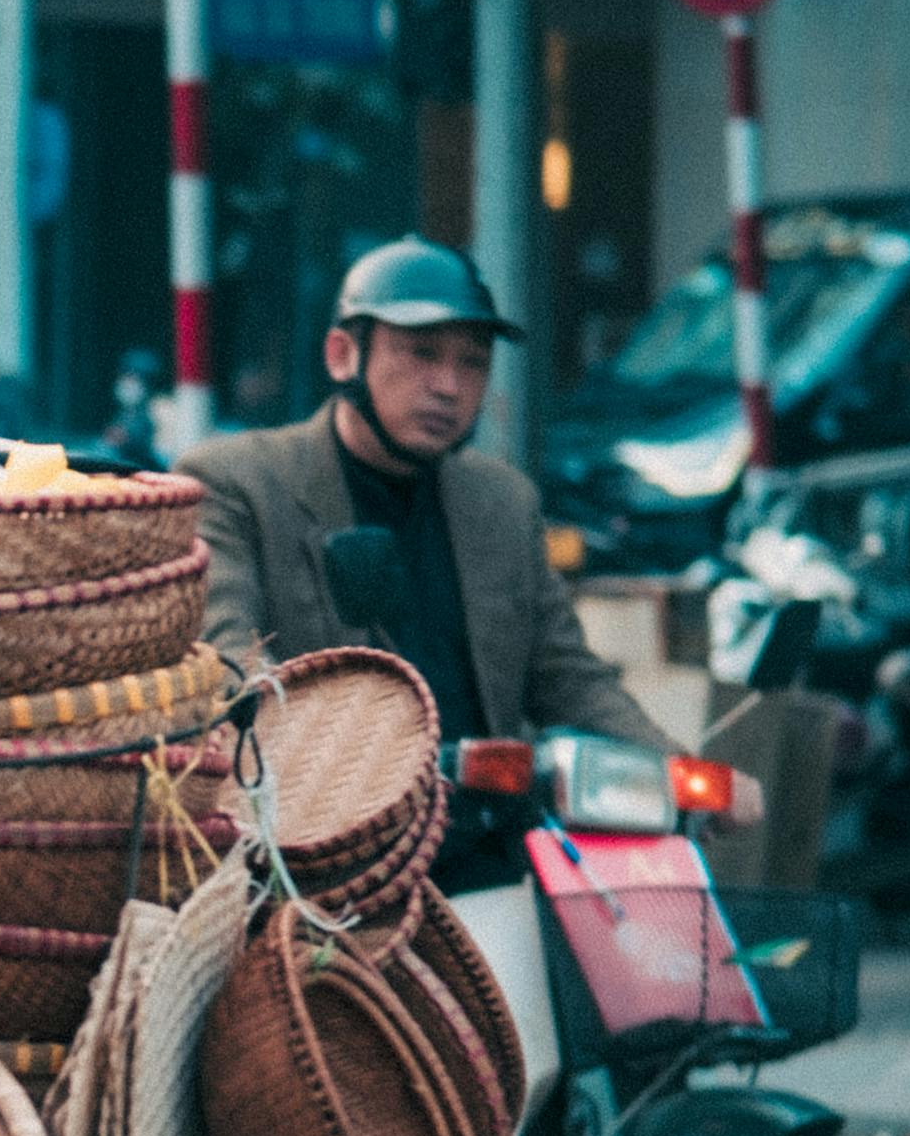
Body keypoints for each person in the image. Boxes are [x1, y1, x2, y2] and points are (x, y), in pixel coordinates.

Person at [184, 239, 652, 870]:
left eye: (473, 362)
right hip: (323, 862)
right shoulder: (240, 481)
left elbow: (566, 674)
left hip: (486, 848)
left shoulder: (504, 502)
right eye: (421, 353)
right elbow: (230, 661)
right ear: (343, 354)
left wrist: (677, 766)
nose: (448, 386)